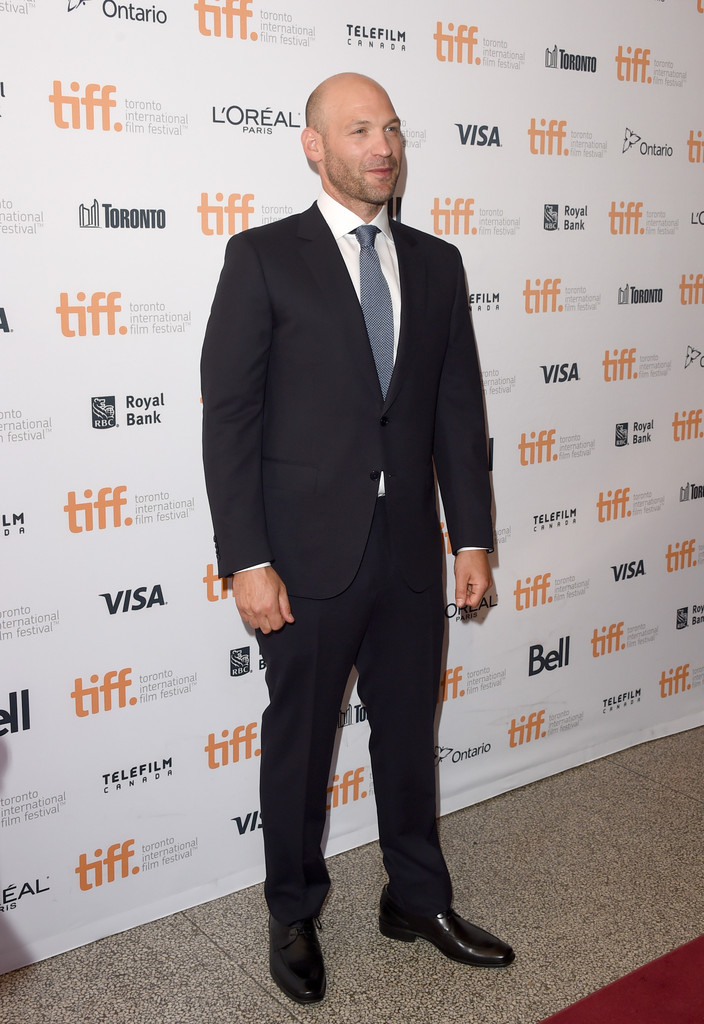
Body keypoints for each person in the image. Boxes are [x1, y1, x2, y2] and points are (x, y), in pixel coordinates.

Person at [201, 72, 514, 1005]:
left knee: (408, 738)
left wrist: (472, 538)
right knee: (300, 741)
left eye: (391, 129)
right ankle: (293, 910)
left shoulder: (437, 261)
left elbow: (458, 413)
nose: (383, 145)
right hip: (302, 560)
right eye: (359, 129)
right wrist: (247, 560)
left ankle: (416, 897)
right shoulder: (262, 258)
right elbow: (231, 420)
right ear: (314, 145)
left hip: (413, 553)